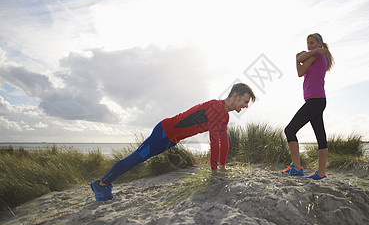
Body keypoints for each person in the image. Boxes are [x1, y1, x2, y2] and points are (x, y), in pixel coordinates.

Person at [91, 83, 256, 201]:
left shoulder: (225, 116)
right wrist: (214, 171)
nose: (246, 106)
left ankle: (103, 183)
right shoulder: (214, 107)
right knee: (136, 158)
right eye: (245, 101)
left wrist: (222, 167)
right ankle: (102, 183)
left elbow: (223, 141)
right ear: (235, 96)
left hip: (171, 140)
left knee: (139, 158)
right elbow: (214, 142)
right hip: (163, 132)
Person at [281, 33, 334, 180]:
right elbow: (300, 71)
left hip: (315, 101)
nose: (309, 46)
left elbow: (299, 60)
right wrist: (299, 58)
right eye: (308, 43)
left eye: (312, 43)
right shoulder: (314, 56)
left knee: (289, 130)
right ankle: (320, 173)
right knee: (320, 136)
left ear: (319, 43)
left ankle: (297, 168)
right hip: (316, 100)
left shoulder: (316, 56)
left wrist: (309, 53)